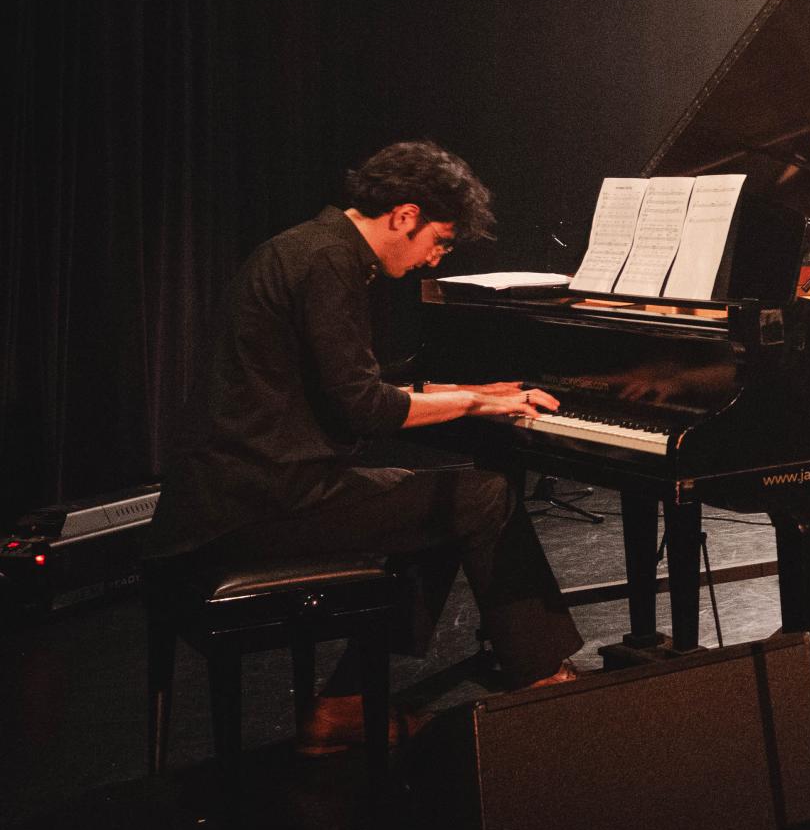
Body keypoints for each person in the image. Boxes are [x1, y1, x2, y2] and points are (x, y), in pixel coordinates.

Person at [147, 141, 585, 753]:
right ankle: (542, 681)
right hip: (257, 503)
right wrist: (476, 403)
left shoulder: (310, 248)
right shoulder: (328, 262)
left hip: (246, 489)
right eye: (441, 240)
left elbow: (347, 389)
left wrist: (470, 390)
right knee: (481, 497)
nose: (436, 259)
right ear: (405, 215)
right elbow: (365, 408)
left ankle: (345, 708)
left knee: (445, 505)